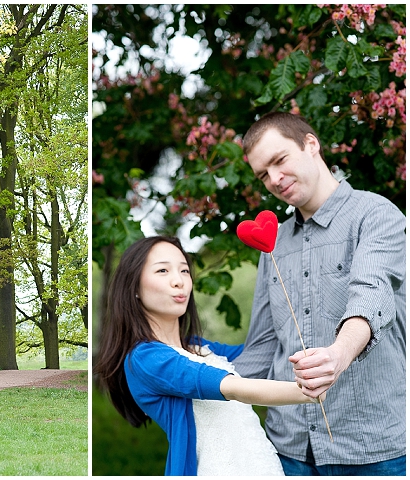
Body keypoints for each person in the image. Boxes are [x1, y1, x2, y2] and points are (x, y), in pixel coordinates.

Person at [233, 111, 406, 475]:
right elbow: (264, 345)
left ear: (311, 144)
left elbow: (371, 294)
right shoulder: (273, 244)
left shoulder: (377, 215)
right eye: (263, 174)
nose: (274, 180)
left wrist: (337, 355)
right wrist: (200, 379)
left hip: (373, 450)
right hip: (289, 448)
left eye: (279, 161)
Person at [94, 235, 324, 476]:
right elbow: (232, 387)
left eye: (184, 271)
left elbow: (264, 349)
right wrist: (307, 392)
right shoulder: (145, 358)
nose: (179, 281)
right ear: (135, 288)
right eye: (162, 270)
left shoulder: (202, 349)